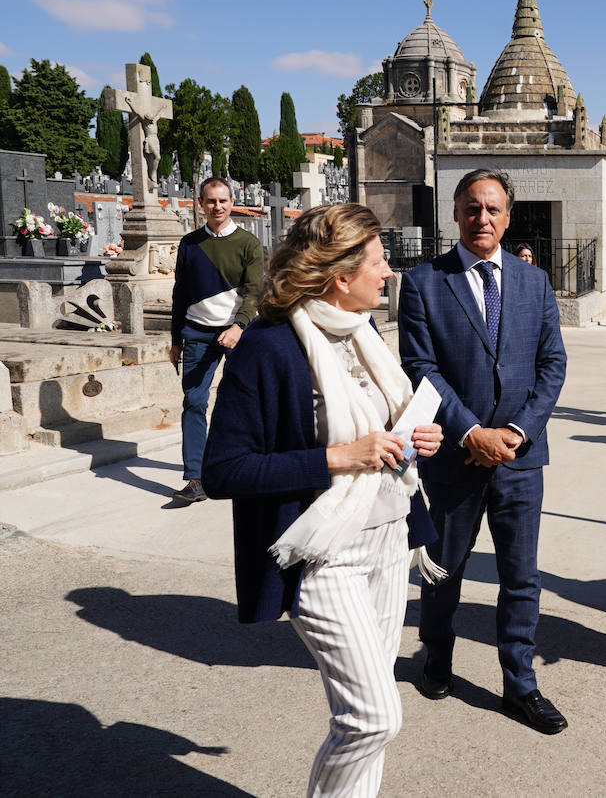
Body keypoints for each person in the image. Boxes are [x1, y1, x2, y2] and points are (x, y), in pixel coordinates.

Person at [202, 203, 444, 797]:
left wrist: (415, 439)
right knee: (373, 718)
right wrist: (339, 457)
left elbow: (381, 435)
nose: (389, 273)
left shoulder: (365, 336)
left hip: (389, 542)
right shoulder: (267, 347)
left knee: (369, 719)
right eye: (380, 262)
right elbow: (223, 469)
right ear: (341, 276)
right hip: (323, 551)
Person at [399, 168, 569, 734]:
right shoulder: (425, 283)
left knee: (521, 576)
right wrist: (472, 432)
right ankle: (437, 655)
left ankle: (519, 684)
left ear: (508, 216)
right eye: (472, 208)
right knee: (444, 569)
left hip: (521, 460)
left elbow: (552, 365)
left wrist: (516, 433)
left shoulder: (533, 283)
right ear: (455, 213)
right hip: (453, 455)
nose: (483, 219)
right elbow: (421, 368)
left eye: (493, 209)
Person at [169, 176, 264, 505]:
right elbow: (180, 293)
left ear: (232, 201)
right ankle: (196, 478)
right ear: (201, 203)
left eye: (223, 201)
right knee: (194, 403)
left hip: (239, 335)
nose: (217, 207)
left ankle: (247, 465)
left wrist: (239, 326)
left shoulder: (248, 244)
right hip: (197, 332)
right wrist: (175, 339)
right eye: (211, 201)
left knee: (245, 402)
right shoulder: (189, 244)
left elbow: (255, 292)